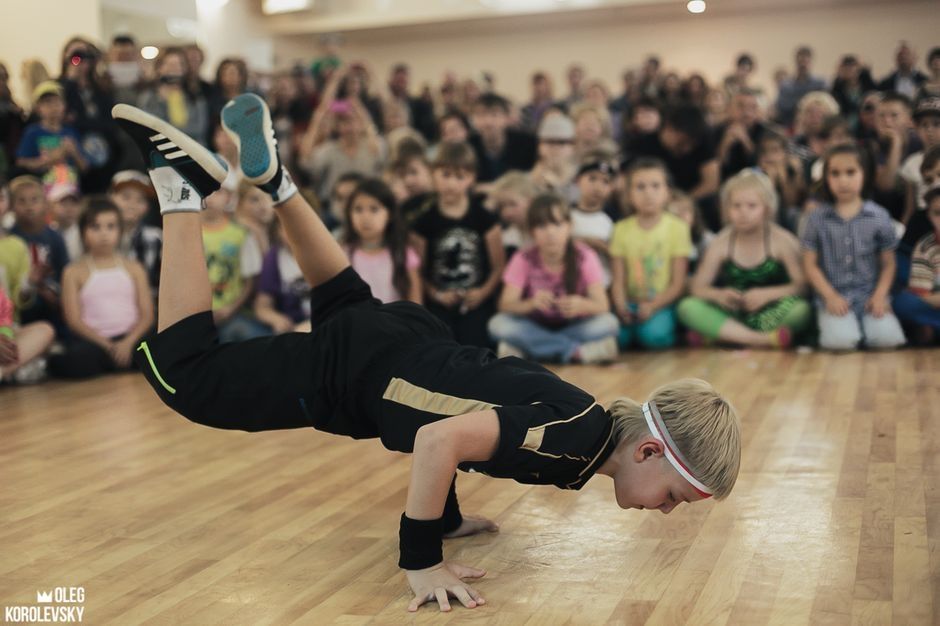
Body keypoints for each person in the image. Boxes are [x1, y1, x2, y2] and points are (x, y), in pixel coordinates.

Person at [114, 93, 741, 612]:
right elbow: (439, 441)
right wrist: (423, 560)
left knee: (343, 297)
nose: (665, 512)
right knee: (188, 379)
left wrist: (446, 516)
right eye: (674, 497)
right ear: (650, 450)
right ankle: (180, 188)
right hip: (365, 375)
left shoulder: (585, 423)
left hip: (411, 339)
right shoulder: (570, 442)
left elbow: (464, 418)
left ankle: (278, 183)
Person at [678, 170, 811, 349]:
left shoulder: (782, 240)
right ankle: (761, 340)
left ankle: (724, 337)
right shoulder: (722, 242)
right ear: (726, 209)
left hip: (773, 310)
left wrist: (767, 295)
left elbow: (802, 287)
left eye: (751, 206)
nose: (743, 213)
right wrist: (719, 295)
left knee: (802, 311)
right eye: (736, 206)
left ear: (767, 208)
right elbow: (697, 288)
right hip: (734, 313)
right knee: (687, 307)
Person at [488, 193, 618, 363]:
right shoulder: (523, 258)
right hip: (534, 325)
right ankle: (575, 352)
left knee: (609, 323)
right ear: (532, 232)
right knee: (498, 324)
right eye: (542, 226)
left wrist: (581, 304)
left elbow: (602, 305)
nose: (550, 233)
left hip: (573, 325)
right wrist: (532, 303)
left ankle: (529, 350)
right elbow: (506, 305)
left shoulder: (585, 256)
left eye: (557, 224)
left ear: (569, 227)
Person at [800, 144, 906, 350]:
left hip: (869, 297)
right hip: (834, 298)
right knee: (840, 343)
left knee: (887, 340)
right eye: (835, 174)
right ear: (826, 178)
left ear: (864, 174)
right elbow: (809, 264)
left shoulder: (879, 216)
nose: (843, 181)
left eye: (851, 172)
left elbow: (888, 263)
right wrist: (829, 296)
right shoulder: (816, 219)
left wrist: (880, 295)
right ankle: (846, 329)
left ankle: (865, 327)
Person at [411, 142, 504, 347]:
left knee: (476, 341)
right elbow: (417, 270)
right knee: (440, 340)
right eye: (445, 175)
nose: (451, 184)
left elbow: (498, 266)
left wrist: (482, 293)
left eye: (459, 176)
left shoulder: (486, 220)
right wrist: (436, 293)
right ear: (433, 174)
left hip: (476, 300)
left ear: (472, 178)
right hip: (438, 300)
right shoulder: (422, 223)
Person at [48, 197, 153, 378]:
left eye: (111, 226)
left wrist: (127, 343)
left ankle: (122, 359)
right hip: (96, 343)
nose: (104, 234)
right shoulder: (73, 271)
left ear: (120, 231)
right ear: (82, 231)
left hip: (132, 338)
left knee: (158, 348)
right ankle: (115, 361)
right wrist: (108, 345)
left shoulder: (134, 268)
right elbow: (74, 320)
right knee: (75, 360)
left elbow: (147, 315)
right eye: (95, 227)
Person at [609, 159, 691, 350]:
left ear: (667, 192)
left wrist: (653, 305)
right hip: (631, 303)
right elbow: (618, 279)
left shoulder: (677, 228)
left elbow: (678, 283)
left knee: (652, 337)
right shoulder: (621, 229)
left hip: (661, 304)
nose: (648, 193)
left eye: (655, 186)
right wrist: (621, 306)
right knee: (618, 338)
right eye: (640, 187)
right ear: (629, 195)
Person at [623, 104, 720, 231]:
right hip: (651, 198)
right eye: (683, 142)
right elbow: (627, 181)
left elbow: (711, 183)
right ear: (668, 128)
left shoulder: (703, 142)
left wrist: (684, 201)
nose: (688, 148)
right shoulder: (642, 145)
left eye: (692, 143)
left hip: (692, 199)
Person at [0, 181, 55, 384]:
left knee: (44, 331)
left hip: (7, 329)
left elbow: (17, 300)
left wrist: (30, 284)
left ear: (7, 203)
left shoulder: (16, 246)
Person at [200, 183, 267, 343]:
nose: (210, 199)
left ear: (229, 197)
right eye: (205, 192)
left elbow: (249, 280)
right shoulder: (188, 232)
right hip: (196, 314)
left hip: (233, 312)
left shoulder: (241, 234)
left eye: (217, 192)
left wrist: (230, 308)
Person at [343, 178, 422, 304]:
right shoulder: (343, 254)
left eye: (374, 209)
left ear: (389, 214)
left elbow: (416, 301)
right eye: (358, 209)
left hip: (395, 322)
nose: (365, 217)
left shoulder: (402, 253)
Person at [8, 175, 69, 334]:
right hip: (22, 299)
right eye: (21, 201)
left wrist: (56, 292)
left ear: (45, 204)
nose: (29, 206)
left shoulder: (55, 237)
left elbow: (64, 270)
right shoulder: (11, 239)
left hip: (53, 298)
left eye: (34, 200)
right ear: (11, 206)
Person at [892, 186, 940, 344]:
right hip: (934, 306)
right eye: (938, 213)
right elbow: (922, 294)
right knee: (902, 302)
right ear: (930, 216)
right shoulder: (926, 246)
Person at [15, 81, 88, 185]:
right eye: (47, 102)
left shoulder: (71, 132)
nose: (53, 107)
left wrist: (74, 152)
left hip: (70, 188)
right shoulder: (32, 132)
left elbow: (84, 167)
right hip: (43, 188)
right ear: (38, 108)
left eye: (57, 102)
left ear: (64, 106)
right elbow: (21, 162)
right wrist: (51, 158)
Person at [137, 47, 210, 150]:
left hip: (195, 152)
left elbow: (199, 128)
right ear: (159, 68)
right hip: (162, 152)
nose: (174, 68)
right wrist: (162, 100)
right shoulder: (149, 97)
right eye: (169, 64)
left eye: (179, 64)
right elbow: (152, 129)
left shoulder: (194, 96)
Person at [255, 216, 311, 334]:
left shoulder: (323, 252)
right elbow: (262, 306)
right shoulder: (274, 257)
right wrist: (276, 319)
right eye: (284, 226)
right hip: (291, 326)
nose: (291, 231)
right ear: (277, 231)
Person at [109, 170, 161, 293]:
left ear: (147, 207)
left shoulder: (156, 238)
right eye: (126, 197)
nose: (132, 204)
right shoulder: (93, 233)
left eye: (140, 200)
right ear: (110, 197)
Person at [467, 93, 537, 184]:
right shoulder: (468, 146)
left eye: (494, 115)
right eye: (482, 115)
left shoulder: (528, 144)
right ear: (473, 119)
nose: (488, 122)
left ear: (506, 118)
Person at [570, 154, 617, 286]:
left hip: (602, 283)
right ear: (578, 180)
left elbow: (617, 257)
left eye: (605, 181)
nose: (598, 187)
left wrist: (601, 246)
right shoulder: (565, 215)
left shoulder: (612, 221)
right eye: (592, 179)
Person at [715, 88, 769, 180]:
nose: (747, 112)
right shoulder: (717, 130)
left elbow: (764, 165)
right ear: (729, 109)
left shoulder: (765, 131)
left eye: (752, 107)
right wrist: (725, 144)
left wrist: (745, 141)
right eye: (741, 106)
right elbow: (713, 168)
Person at [775, 46, 827, 129]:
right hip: (790, 125)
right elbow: (782, 106)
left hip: (816, 125)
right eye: (800, 61)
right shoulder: (786, 85)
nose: (803, 65)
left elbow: (825, 105)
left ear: (810, 62)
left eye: (805, 61)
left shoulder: (820, 83)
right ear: (796, 62)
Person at [488, 171, 537, 258]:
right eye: (501, 206)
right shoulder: (506, 239)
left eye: (513, 204)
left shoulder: (547, 231)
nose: (506, 212)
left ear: (531, 201)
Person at [529, 114, 578, 204]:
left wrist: (557, 187)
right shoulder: (528, 178)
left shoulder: (581, 177)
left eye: (561, 142)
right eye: (550, 142)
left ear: (573, 147)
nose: (555, 148)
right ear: (539, 146)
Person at [235, 180, 275, 254]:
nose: (264, 206)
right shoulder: (237, 233)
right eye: (255, 199)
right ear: (240, 204)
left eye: (269, 197)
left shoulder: (279, 230)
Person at [48, 182, 83, 261]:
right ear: (51, 206)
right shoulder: (45, 233)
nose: (69, 209)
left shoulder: (85, 234)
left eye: (74, 203)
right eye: (64, 204)